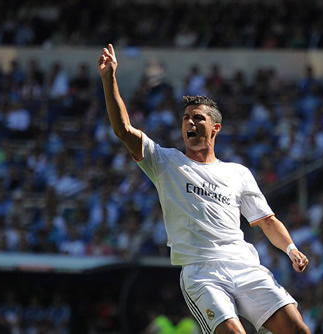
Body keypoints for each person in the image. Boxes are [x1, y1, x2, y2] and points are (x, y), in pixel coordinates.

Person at [98, 44, 311, 334]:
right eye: (186, 117)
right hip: (202, 273)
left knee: (299, 330)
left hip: (245, 265)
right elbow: (123, 129)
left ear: (215, 128)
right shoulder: (165, 161)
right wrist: (109, 77)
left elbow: (267, 221)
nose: (190, 121)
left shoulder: (238, 173)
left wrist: (290, 248)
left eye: (198, 117)